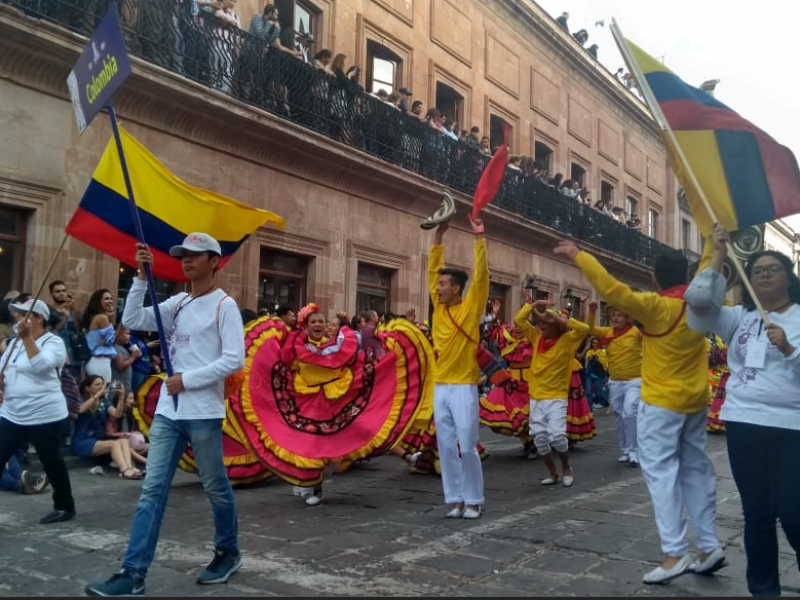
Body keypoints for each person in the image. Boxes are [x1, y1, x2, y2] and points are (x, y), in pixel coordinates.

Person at [554, 239, 725, 584]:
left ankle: (675, 553)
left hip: (662, 403)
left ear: (654, 276)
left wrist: (578, 254)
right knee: (696, 470)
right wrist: (715, 244)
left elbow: (611, 289)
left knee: (661, 475)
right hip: (695, 400)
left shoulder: (655, 307)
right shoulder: (701, 299)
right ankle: (708, 546)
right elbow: (708, 269)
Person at [85, 232, 246, 597]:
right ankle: (133, 572)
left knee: (216, 486)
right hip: (169, 413)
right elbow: (134, 318)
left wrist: (185, 380)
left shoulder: (225, 306)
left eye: (195, 255)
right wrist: (142, 277)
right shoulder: (179, 302)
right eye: (183, 255)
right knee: (152, 491)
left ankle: (228, 551)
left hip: (203, 413)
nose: (187, 260)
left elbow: (235, 359)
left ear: (213, 262)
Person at [686, 223, 800, 596]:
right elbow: (699, 303)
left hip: (791, 428)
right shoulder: (738, 318)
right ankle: (763, 589)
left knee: (793, 513)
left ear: (789, 276)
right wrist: (718, 253)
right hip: (744, 424)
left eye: (772, 269)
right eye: (756, 271)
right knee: (758, 515)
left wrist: (789, 350)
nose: (764, 275)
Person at [427, 216, 488, 520]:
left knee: (467, 444)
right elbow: (431, 267)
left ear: (456, 289)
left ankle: (474, 498)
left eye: (443, 284)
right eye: (437, 284)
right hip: (441, 386)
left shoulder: (471, 307)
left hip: (464, 385)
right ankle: (454, 499)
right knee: (446, 447)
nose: (437, 288)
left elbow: (481, 278)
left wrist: (479, 238)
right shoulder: (438, 308)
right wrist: (439, 235)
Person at [0, 298, 76, 524]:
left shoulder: (53, 342)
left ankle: (64, 506)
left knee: (51, 461)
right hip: (12, 412)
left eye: (24, 314)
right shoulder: (13, 344)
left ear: (39, 318)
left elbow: (42, 365)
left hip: (44, 414)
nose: (17, 319)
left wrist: (26, 339)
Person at [514, 297, 589, 486]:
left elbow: (585, 330)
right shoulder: (536, 338)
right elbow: (519, 321)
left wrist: (565, 320)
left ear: (557, 325)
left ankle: (566, 467)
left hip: (556, 397)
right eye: (539, 322)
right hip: (536, 398)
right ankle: (554, 474)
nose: (541, 325)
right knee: (539, 440)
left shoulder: (568, 340)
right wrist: (532, 306)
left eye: (546, 322)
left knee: (556, 436)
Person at [587, 302, 643, 466]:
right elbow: (590, 329)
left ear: (627, 318)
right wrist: (591, 311)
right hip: (615, 382)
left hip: (635, 380)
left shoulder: (636, 332)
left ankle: (635, 452)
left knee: (629, 413)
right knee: (619, 415)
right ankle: (625, 450)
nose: (615, 317)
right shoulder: (608, 332)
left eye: (620, 314)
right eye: (614, 315)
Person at [72, 375, 145, 479]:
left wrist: (121, 397)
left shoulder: (104, 402)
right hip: (82, 440)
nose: (101, 387)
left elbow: (117, 414)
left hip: (97, 439)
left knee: (123, 441)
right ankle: (124, 470)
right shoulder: (81, 400)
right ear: (87, 388)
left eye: (102, 384)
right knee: (114, 444)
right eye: (97, 384)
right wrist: (98, 395)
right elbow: (80, 410)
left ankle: (130, 467)